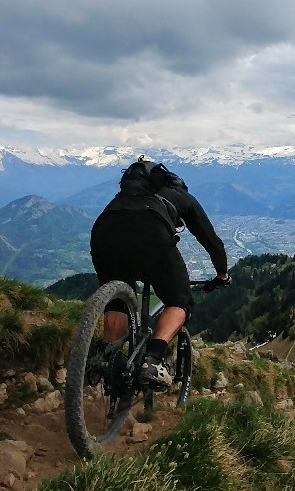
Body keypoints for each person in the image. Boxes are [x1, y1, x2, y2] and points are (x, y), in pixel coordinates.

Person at [90, 156, 230, 386]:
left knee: (117, 303)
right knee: (180, 301)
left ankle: (105, 357)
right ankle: (153, 360)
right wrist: (222, 275)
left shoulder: (126, 195)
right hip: (150, 234)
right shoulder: (183, 197)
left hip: (104, 231)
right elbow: (213, 243)